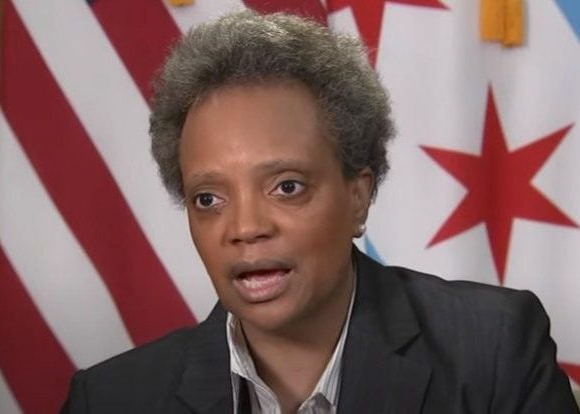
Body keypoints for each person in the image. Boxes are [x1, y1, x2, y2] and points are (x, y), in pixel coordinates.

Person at [61, 10, 579, 414]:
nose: (245, 228)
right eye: (208, 199)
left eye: (287, 187)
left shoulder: (493, 353)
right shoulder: (109, 400)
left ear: (358, 196)